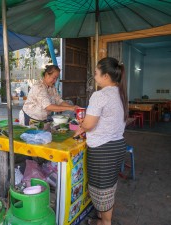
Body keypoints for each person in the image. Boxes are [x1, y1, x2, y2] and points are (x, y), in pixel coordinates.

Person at [74, 57, 128, 225]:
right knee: (109, 187)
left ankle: (106, 222)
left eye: (96, 73)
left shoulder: (100, 95)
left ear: (105, 76)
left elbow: (90, 124)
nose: (94, 77)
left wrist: (81, 123)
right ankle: (103, 219)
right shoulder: (120, 92)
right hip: (117, 146)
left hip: (103, 151)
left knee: (101, 189)